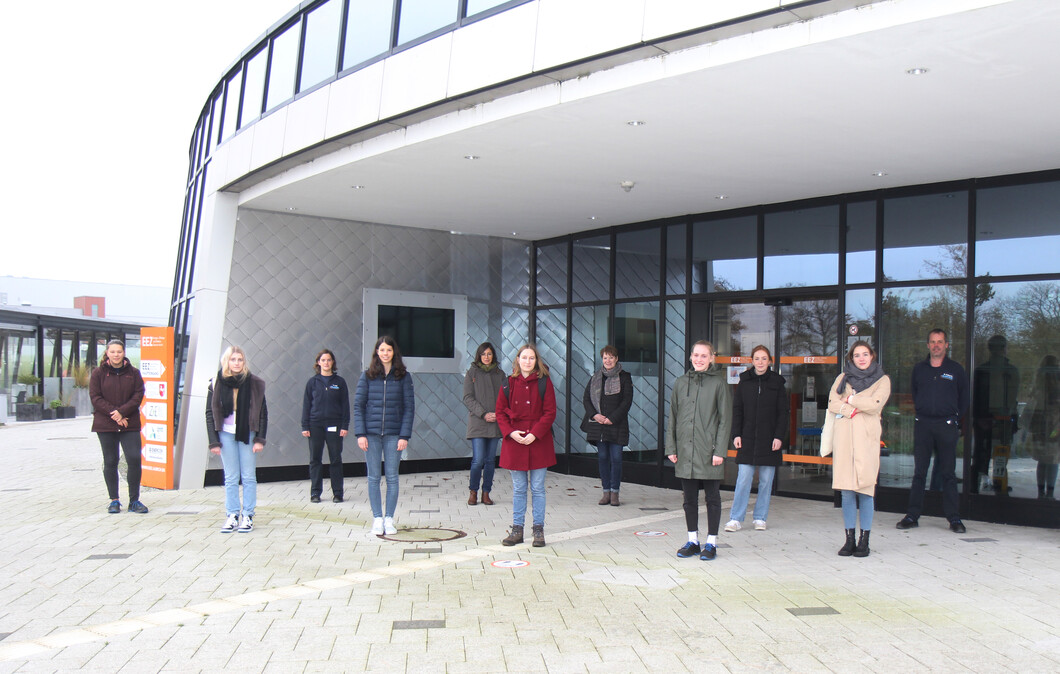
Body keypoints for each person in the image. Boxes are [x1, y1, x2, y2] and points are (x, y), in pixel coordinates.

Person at [897, 329, 968, 533]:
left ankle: (954, 519)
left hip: (946, 426)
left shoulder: (956, 370)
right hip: (923, 426)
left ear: (946, 345)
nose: (936, 345)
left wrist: (954, 418)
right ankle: (912, 515)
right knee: (919, 472)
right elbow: (915, 392)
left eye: (940, 342)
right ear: (927, 345)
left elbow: (964, 398)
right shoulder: (919, 369)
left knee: (948, 474)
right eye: (932, 342)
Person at [667, 341, 732, 561]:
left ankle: (711, 543)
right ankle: (693, 541)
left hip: (709, 451)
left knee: (712, 498)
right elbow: (673, 418)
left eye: (704, 356)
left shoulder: (719, 384)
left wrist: (720, 451)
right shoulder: (680, 382)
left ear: (712, 358)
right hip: (685, 451)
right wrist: (671, 447)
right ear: (691, 357)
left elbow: (725, 420)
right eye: (696, 355)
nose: (699, 359)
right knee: (689, 499)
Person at [828, 341, 891, 557]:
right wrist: (850, 409)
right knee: (846, 492)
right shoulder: (842, 377)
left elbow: (875, 405)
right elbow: (832, 403)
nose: (861, 358)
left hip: (866, 441)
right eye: (857, 355)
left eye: (865, 354)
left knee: (865, 490)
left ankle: (865, 540)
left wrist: (852, 398)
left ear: (872, 356)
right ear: (851, 358)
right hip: (844, 440)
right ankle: (849, 539)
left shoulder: (883, 380)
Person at [497, 344, 557, 548]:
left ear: (536, 361)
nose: (528, 362)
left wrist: (535, 434)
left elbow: (550, 412)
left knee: (538, 488)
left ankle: (538, 530)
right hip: (516, 441)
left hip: (539, 442)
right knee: (519, 488)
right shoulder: (508, 383)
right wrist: (511, 432)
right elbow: (500, 412)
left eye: (531, 358)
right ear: (518, 360)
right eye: (524, 358)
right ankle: (517, 529)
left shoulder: (544, 382)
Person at [354, 336, 415, 536]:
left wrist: (404, 435)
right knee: (373, 477)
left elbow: (409, 408)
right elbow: (358, 406)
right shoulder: (367, 376)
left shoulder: (404, 376)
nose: (385, 353)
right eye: (382, 350)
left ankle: (389, 519)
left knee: (392, 477)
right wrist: (360, 433)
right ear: (377, 353)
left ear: (394, 352)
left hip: (394, 434)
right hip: (370, 435)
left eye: (389, 350)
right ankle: (377, 518)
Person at [725, 344, 788, 532]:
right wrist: (736, 434)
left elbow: (783, 413)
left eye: (764, 358)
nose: (760, 362)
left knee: (766, 481)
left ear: (770, 361)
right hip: (747, 438)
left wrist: (779, 437)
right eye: (757, 358)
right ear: (751, 361)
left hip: (770, 440)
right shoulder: (744, 381)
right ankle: (735, 518)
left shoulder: (778, 383)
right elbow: (737, 410)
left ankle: (760, 517)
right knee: (743, 478)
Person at [206, 346, 268, 533]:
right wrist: (214, 441)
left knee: (248, 476)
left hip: (247, 433)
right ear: (226, 361)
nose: (237, 363)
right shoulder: (216, 382)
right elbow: (209, 413)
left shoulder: (255, 383)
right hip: (225, 434)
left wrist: (260, 439)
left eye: (240, 359)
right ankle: (232, 514)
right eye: (233, 359)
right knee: (231, 477)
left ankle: (248, 515)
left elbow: (263, 413)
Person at [89, 339, 148, 515]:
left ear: (124, 353)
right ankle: (114, 500)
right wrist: (114, 414)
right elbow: (95, 397)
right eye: (112, 351)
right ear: (107, 353)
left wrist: (122, 412)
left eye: (119, 351)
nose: (116, 355)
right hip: (106, 424)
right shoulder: (98, 373)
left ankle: (134, 500)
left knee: (134, 459)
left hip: (129, 423)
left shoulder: (134, 373)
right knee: (110, 460)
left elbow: (138, 395)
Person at [581, 345, 634, 506]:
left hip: (616, 425)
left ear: (616, 359)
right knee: (603, 458)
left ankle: (615, 493)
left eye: (611, 357)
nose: (608, 360)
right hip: (599, 425)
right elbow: (586, 399)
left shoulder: (624, 377)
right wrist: (595, 415)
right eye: (605, 357)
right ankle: (606, 493)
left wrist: (612, 418)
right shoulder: (596, 377)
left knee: (616, 458)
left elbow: (627, 401)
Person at [970, 335, 1020, 493]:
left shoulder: (981, 371)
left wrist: (977, 418)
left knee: (981, 453)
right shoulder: (1011, 371)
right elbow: (1014, 398)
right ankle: (999, 482)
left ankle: (976, 485)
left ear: (989, 349)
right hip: (1001, 419)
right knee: (1000, 452)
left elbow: (974, 397)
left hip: (984, 418)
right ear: (1004, 348)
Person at [301, 348, 350, 504]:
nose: (326, 363)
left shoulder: (340, 382)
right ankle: (315, 493)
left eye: (329, 360)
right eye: (323, 360)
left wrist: (344, 425)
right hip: (315, 425)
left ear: (333, 362)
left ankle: (338, 493)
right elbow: (306, 405)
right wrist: (305, 426)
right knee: (315, 459)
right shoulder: (312, 382)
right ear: (318, 363)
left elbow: (345, 405)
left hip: (334, 425)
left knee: (335, 459)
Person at [462, 342, 506, 506]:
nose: (486, 357)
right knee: (478, 459)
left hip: (495, 422)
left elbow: (505, 397)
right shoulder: (472, 372)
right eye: (483, 354)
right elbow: (467, 397)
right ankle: (473, 491)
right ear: (479, 356)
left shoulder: (500, 374)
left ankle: (486, 492)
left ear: (493, 355)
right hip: (478, 422)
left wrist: (497, 414)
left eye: (489, 354)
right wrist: (483, 413)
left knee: (490, 461)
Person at [1029, 355, 1060, 499]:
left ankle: (1041, 492)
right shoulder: (1054, 386)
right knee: (1052, 459)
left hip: (1040, 427)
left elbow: (1032, 406)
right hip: (1055, 426)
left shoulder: (1038, 385)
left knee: (1043, 460)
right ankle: (1049, 493)